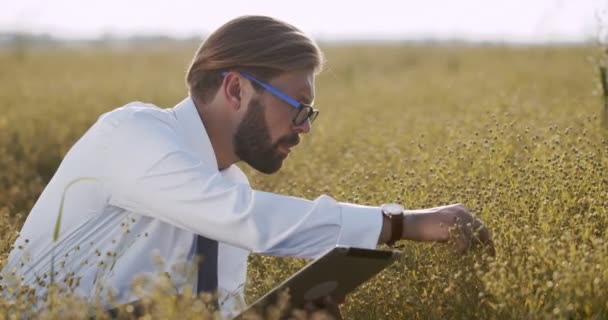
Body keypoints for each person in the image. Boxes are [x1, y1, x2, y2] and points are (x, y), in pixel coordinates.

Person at [0, 15, 494, 319]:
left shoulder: (226, 186)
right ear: (236, 89)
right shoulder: (132, 134)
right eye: (299, 106)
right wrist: (400, 223)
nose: (305, 127)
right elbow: (248, 220)